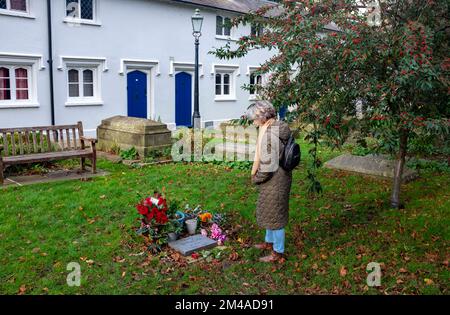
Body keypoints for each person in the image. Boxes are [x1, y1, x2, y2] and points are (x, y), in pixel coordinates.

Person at [248, 101, 293, 263]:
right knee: (270, 211)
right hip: (281, 176)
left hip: (275, 179)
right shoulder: (279, 126)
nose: (253, 122)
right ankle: (269, 242)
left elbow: (267, 167)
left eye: (254, 119)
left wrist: (255, 177)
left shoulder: (269, 134)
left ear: (262, 117)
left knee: (276, 217)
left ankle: (278, 252)